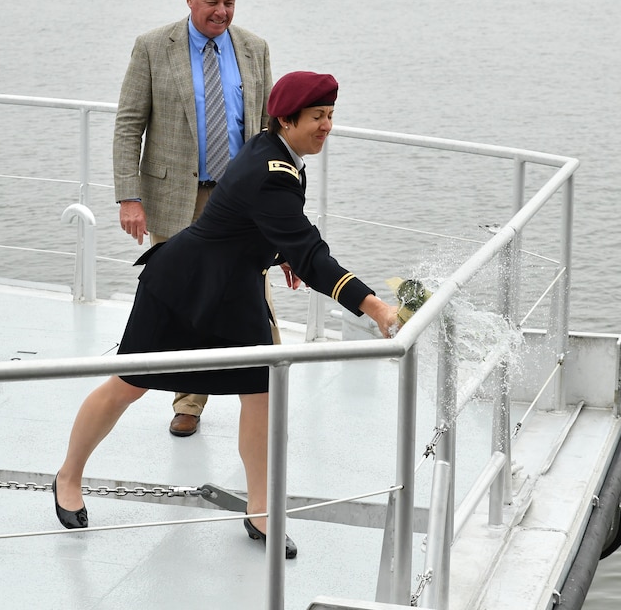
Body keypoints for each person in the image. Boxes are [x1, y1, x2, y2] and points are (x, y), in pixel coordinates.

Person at [53, 71, 400, 559]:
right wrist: (375, 305)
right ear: (286, 118)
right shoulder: (271, 169)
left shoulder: (278, 153)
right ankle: (68, 476)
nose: (327, 126)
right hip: (180, 285)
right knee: (128, 385)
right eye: (318, 117)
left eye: (330, 116)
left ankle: (259, 510)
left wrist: (277, 253)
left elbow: (257, 223)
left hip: (235, 291)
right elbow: (310, 252)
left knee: (259, 395)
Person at [112, 0, 274, 438]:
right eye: (212, 3)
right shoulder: (152, 47)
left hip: (240, 200)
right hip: (177, 196)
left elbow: (268, 129)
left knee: (253, 297)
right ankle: (188, 404)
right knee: (189, 302)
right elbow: (128, 124)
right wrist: (129, 196)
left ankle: (265, 394)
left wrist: (278, 201)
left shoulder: (254, 48)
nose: (221, 12)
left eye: (229, 3)